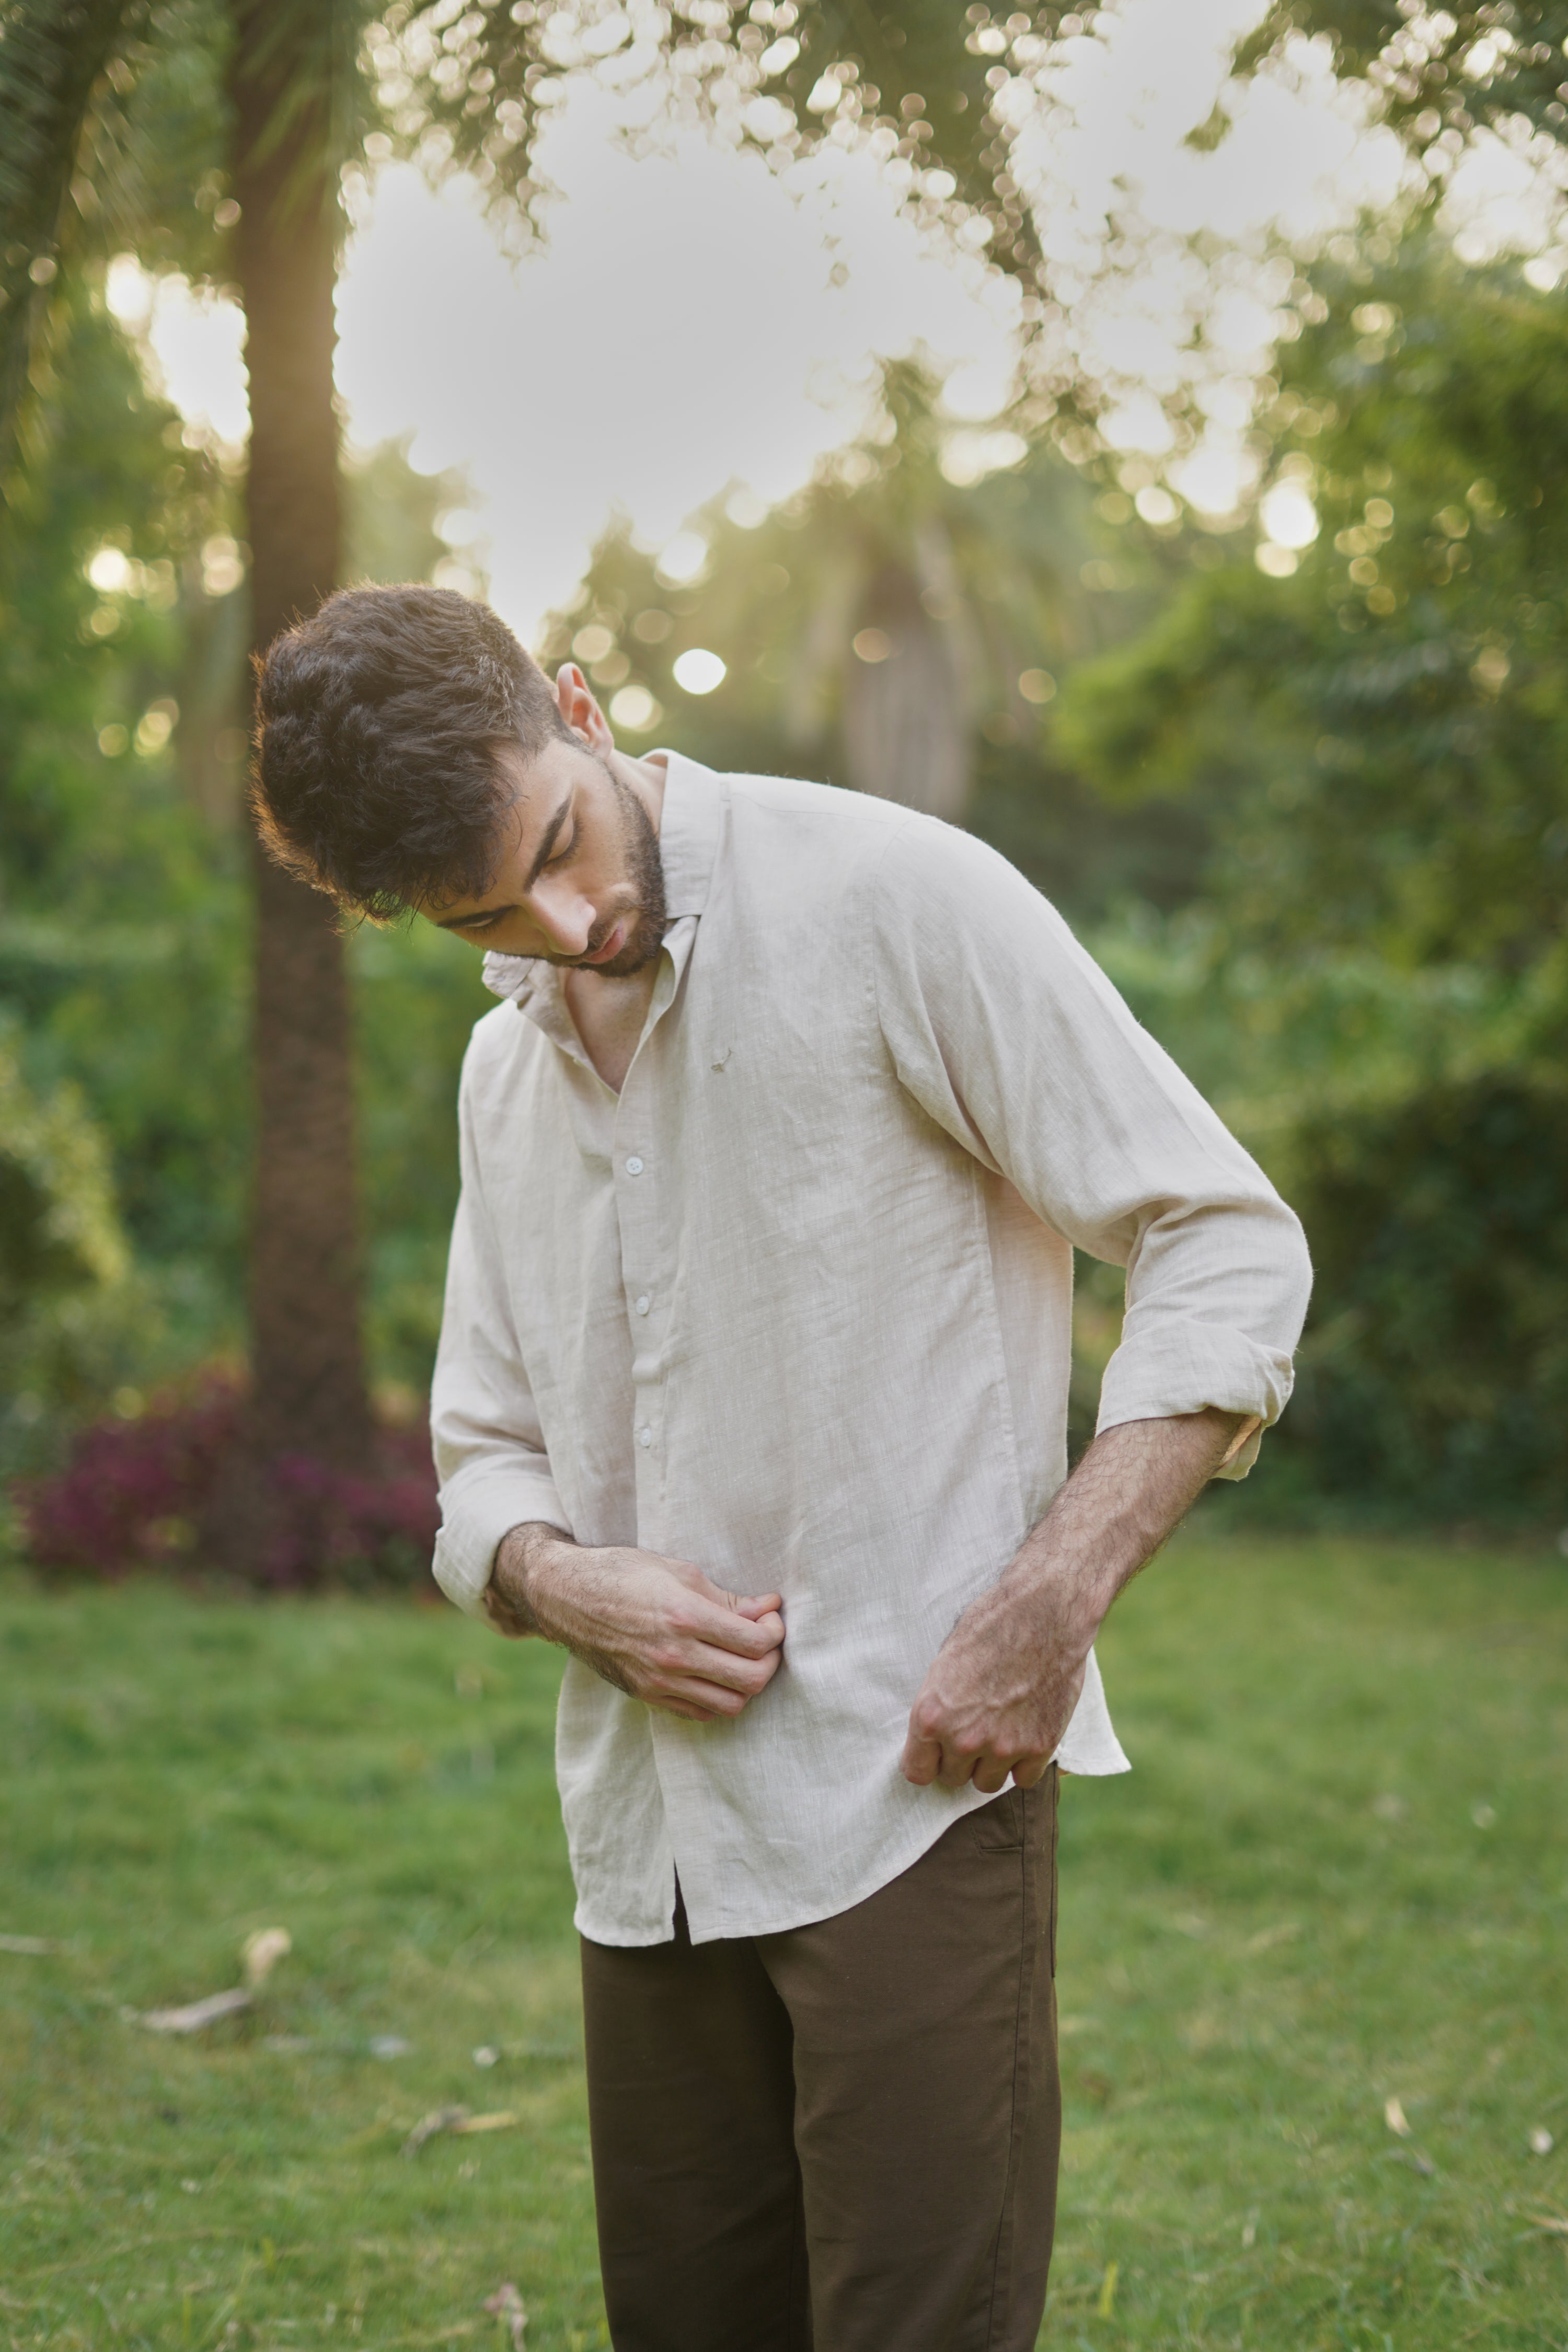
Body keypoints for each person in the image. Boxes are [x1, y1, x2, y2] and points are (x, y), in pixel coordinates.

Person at [253, 582, 1311, 2352]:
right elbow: (482, 1450)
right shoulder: (502, 1075)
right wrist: (560, 1583)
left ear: (578, 706)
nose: (567, 926)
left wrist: (1051, 1601)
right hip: (644, 1840)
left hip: (912, 1778)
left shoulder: (897, 899)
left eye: (560, 847)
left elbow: (1225, 1236)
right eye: (483, 916)